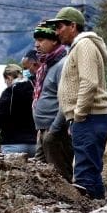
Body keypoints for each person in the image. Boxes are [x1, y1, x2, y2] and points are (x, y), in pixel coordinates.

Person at [47, 6, 107, 198]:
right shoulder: (81, 46)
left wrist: (78, 115)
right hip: (90, 118)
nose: (57, 32)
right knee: (91, 172)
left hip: (89, 118)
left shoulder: (84, 45)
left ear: (73, 26)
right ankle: (101, 212)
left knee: (85, 177)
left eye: (60, 27)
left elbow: (89, 82)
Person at [30, 22, 73, 181]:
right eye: (36, 40)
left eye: (41, 40)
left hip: (55, 132)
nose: (36, 45)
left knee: (60, 176)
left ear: (54, 40)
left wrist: (54, 130)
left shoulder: (63, 64)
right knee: (39, 176)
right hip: (43, 131)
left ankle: (70, 198)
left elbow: (66, 100)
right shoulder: (46, 66)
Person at [0, 63, 37, 155]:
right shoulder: (34, 89)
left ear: (9, 78)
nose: (5, 83)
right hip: (34, 144)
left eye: (5, 80)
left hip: (12, 144)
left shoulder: (8, 92)